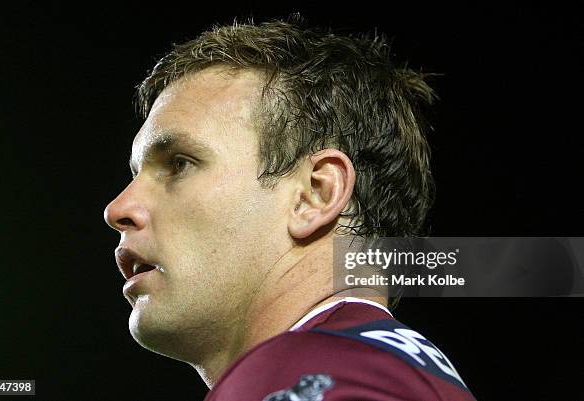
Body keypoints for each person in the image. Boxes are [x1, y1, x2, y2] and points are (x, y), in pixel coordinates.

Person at [104, 15, 476, 401]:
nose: (118, 208)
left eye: (179, 163)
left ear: (315, 194)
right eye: (135, 175)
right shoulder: (386, 370)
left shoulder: (314, 373)